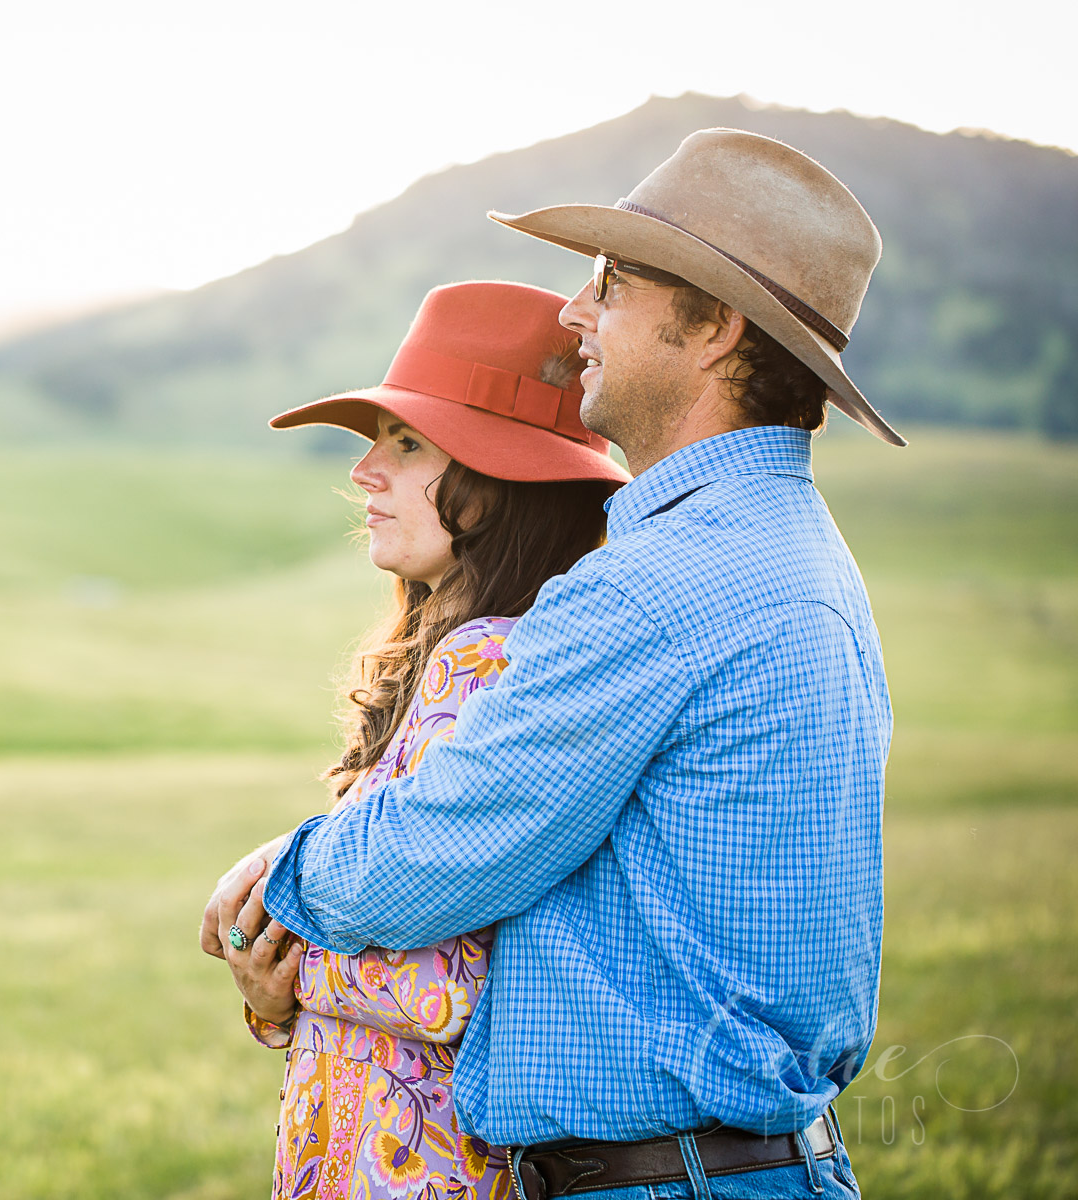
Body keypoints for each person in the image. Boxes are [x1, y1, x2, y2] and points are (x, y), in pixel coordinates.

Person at [203, 128, 902, 1200]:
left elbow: (439, 852)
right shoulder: (789, 547)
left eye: (611, 283)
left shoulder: (665, 584)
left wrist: (275, 883)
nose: (575, 312)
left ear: (716, 328)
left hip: (671, 1180)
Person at [217, 279, 630, 1199]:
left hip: (427, 1171)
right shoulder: (449, 657)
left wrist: (273, 935)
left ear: (499, 478)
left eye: (406, 443)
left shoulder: (495, 661)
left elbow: (446, 983)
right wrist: (271, 995)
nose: (365, 471)